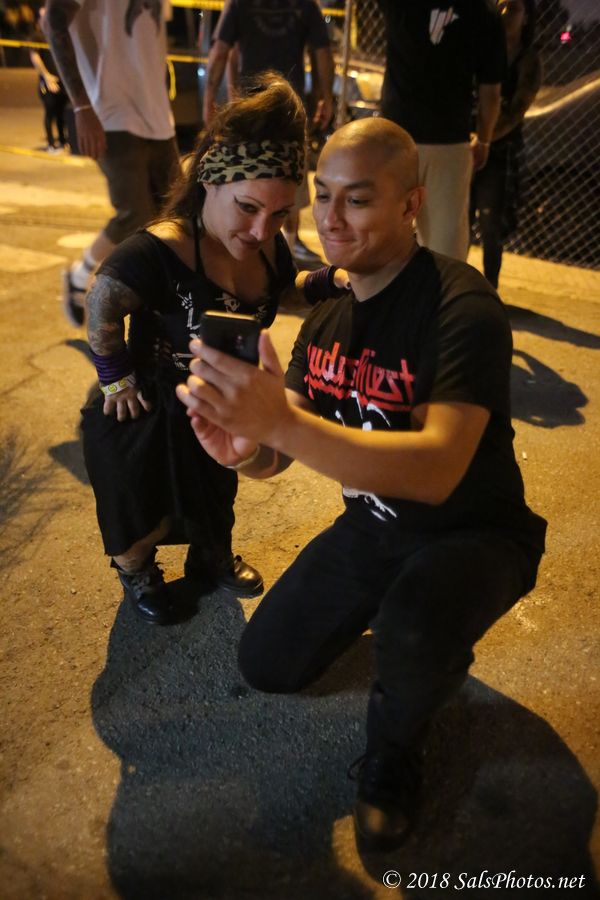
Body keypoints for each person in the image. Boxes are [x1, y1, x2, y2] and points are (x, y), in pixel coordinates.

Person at [177, 117, 547, 851]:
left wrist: (282, 425)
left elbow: (438, 470)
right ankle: (407, 624)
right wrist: (243, 451)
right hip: (374, 525)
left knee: (413, 629)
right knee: (268, 664)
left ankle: (396, 750)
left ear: (411, 204)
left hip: (475, 533)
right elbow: (281, 453)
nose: (330, 218)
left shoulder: (461, 305)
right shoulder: (327, 322)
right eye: (322, 196)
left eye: (358, 199)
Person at [81, 74, 348, 628]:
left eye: (279, 214)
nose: (262, 229)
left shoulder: (267, 248)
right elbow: (101, 303)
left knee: (215, 491)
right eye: (248, 207)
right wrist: (115, 376)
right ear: (210, 181)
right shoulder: (161, 248)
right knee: (139, 499)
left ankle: (210, 557)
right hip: (149, 404)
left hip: (220, 399)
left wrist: (326, 280)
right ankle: (138, 572)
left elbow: (281, 291)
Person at [44, 0, 180, 326]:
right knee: (134, 216)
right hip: (110, 113)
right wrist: (81, 106)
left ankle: (159, 311)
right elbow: (53, 20)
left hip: (158, 117)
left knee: (175, 215)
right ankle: (81, 276)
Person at [203, 0, 334, 267]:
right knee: (288, 179)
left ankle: (243, 250)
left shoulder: (238, 3)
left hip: (249, 110)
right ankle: (289, 251)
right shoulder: (305, 4)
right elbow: (322, 51)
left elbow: (221, 51)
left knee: (243, 183)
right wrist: (326, 97)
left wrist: (210, 98)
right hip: (289, 109)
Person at [376, 0, 505, 260]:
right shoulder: (485, 13)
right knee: (445, 248)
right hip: (449, 140)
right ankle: (437, 288)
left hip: (394, 138)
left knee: (382, 233)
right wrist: (483, 140)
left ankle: (380, 285)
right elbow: (491, 94)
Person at [470, 0, 542, 289]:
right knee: (460, 220)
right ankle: (454, 286)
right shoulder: (482, 49)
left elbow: (515, 111)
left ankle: (490, 289)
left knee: (491, 225)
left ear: (526, 17)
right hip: (470, 144)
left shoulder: (527, 60)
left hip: (500, 150)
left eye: (512, 9)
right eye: (500, 6)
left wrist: (484, 138)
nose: (504, 14)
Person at [28, 6, 69, 152]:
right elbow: (35, 58)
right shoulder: (37, 37)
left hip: (62, 80)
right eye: (43, 16)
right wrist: (46, 77)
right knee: (50, 112)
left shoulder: (58, 35)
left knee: (62, 112)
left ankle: (63, 141)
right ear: (38, 20)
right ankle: (51, 144)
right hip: (48, 81)